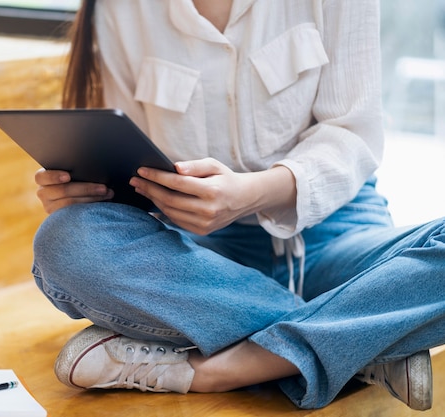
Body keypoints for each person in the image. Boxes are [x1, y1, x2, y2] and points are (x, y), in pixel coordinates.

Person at [32, 0, 445, 411]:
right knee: (66, 240)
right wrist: (94, 193)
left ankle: (225, 369)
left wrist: (253, 192)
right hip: (203, 261)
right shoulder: (121, 8)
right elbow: (135, 163)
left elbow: (354, 132)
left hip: (338, 230)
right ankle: (366, 334)